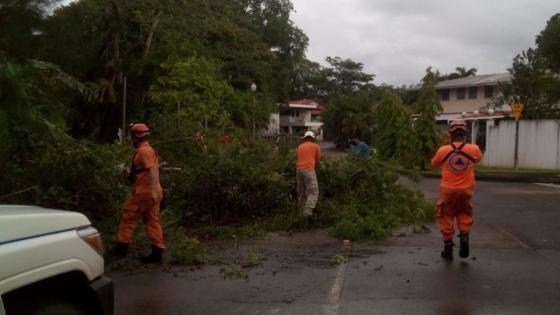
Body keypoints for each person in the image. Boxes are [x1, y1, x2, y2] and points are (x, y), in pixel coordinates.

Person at [110, 123, 165, 263]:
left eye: (132, 136)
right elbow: (148, 169)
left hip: (145, 192)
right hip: (153, 191)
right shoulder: (147, 150)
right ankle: (157, 253)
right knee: (152, 220)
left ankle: (121, 249)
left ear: (136, 136)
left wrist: (152, 191)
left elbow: (152, 170)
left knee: (129, 215)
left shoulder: (143, 152)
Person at [431, 120, 482, 260]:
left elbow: (433, 164)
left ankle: (448, 248)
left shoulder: (443, 150)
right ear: (465, 133)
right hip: (466, 190)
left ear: (450, 134)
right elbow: (478, 159)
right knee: (464, 212)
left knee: (446, 215)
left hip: (448, 189)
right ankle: (464, 236)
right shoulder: (474, 149)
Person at [296, 131, 321, 218]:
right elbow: (317, 162)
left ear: (305, 138)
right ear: (312, 138)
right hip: (309, 169)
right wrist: (315, 170)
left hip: (299, 170)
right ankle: (307, 212)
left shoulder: (300, 146)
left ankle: (300, 214)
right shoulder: (316, 146)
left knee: (301, 193)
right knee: (313, 192)